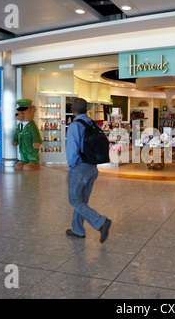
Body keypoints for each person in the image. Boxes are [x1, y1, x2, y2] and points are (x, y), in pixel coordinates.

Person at [65, 98, 111, 243]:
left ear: (73, 110)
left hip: (80, 168)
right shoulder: (92, 123)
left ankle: (100, 222)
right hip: (92, 168)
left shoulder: (74, 126)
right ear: (87, 109)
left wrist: (72, 167)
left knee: (75, 200)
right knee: (82, 200)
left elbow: (72, 151)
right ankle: (78, 230)